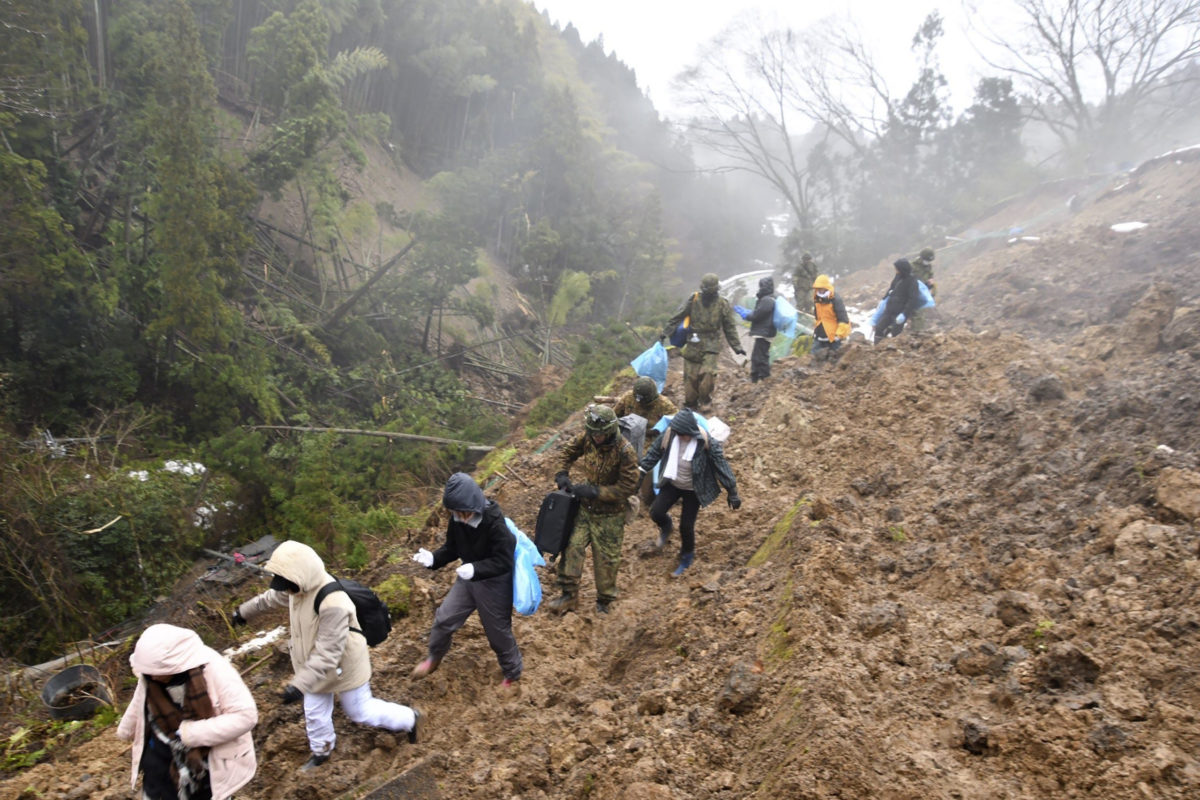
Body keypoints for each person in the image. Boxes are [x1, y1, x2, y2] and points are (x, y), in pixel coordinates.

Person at [234, 541, 422, 771]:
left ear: (299, 577)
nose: (285, 590)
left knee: (360, 711)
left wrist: (299, 685)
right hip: (313, 665)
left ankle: (410, 718)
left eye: (287, 585)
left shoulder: (333, 602)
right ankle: (321, 751)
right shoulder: (296, 589)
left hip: (345, 664)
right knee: (315, 712)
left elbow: (328, 651)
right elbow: (269, 598)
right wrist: (242, 613)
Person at [116, 623, 257, 800]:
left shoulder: (212, 668)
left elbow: (246, 716)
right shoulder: (150, 673)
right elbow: (139, 701)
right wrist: (126, 730)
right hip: (159, 768)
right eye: (148, 672)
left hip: (205, 769)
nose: (152, 677)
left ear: (173, 664)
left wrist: (190, 733)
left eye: (156, 672)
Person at [410, 472, 522, 690]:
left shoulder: (494, 523)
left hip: (494, 581)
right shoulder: (457, 520)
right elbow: (452, 548)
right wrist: (434, 559)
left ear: (475, 506)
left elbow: (504, 561)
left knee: (497, 632)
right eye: (456, 513)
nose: (461, 518)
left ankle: (512, 673)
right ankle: (434, 657)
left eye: (464, 514)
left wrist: (476, 569)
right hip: (467, 579)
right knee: (444, 618)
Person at [549, 404, 640, 614]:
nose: (596, 438)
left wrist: (595, 492)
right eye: (593, 434)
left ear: (609, 431)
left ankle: (604, 601)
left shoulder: (625, 451)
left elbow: (627, 487)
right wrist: (562, 473)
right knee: (572, 548)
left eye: (600, 435)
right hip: (585, 509)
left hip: (610, 515)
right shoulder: (588, 437)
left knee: (606, 559)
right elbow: (568, 451)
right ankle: (568, 596)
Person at [638, 408, 741, 577]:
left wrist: (732, 491)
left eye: (683, 434)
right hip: (673, 482)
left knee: (686, 525)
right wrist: (641, 472)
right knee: (656, 512)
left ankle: (687, 555)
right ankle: (666, 526)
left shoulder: (705, 442)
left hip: (694, 488)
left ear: (691, 432)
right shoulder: (669, 435)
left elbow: (721, 464)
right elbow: (653, 453)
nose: (679, 437)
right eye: (677, 433)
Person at [659, 273, 744, 412]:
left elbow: (729, 326)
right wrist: (666, 332)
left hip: (712, 343)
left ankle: (705, 400)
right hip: (694, 341)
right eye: (706, 290)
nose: (708, 293)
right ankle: (691, 403)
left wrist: (736, 346)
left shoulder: (722, 304)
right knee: (690, 376)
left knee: (708, 372)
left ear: (716, 290)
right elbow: (678, 316)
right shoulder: (694, 299)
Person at [613, 376, 677, 513]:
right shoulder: (628, 398)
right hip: (630, 435)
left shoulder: (664, 405)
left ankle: (650, 496)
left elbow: (676, 423)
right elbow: (614, 417)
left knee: (649, 466)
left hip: (652, 438)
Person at [873, 258, 923, 341]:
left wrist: (904, 314)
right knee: (879, 328)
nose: (896, 271)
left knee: (895, 333)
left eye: (897, 269)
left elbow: (912, 299)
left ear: (902, 269)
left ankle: (895, 347)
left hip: (900, 312)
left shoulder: (912, 281)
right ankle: (878, 346)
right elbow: (891, 288)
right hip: (889, 310)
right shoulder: (897, 277)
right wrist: (884, 299)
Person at [811, 274, 851, 363]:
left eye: (821, 288)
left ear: (826, 287)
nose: (819, 290)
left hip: (833, 337)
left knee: (834, 362)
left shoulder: (835, 299)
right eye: (817, 288)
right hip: (819, 335)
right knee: (814, 360)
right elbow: (817, 317)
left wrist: (839, 335)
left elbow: (843, 318)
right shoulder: (817, 298)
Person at [746, 276, 777, 382]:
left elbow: (758, 314)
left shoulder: (767, 300)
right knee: (757, 355)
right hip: (765, 331)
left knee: (760, 356)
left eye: (761, 286)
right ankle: (755, 377)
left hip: (764, 332)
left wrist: (747, 315)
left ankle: (764, 377)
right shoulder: (769, 298)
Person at [909, 247, 936, 331]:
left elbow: (930, 277)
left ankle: (916, 333)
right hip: (909, 291)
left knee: (919, 314)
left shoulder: (928, 267)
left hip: (920, 293)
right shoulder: (912, 265)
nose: (927, 262)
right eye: (926, 260)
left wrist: (930, 283)